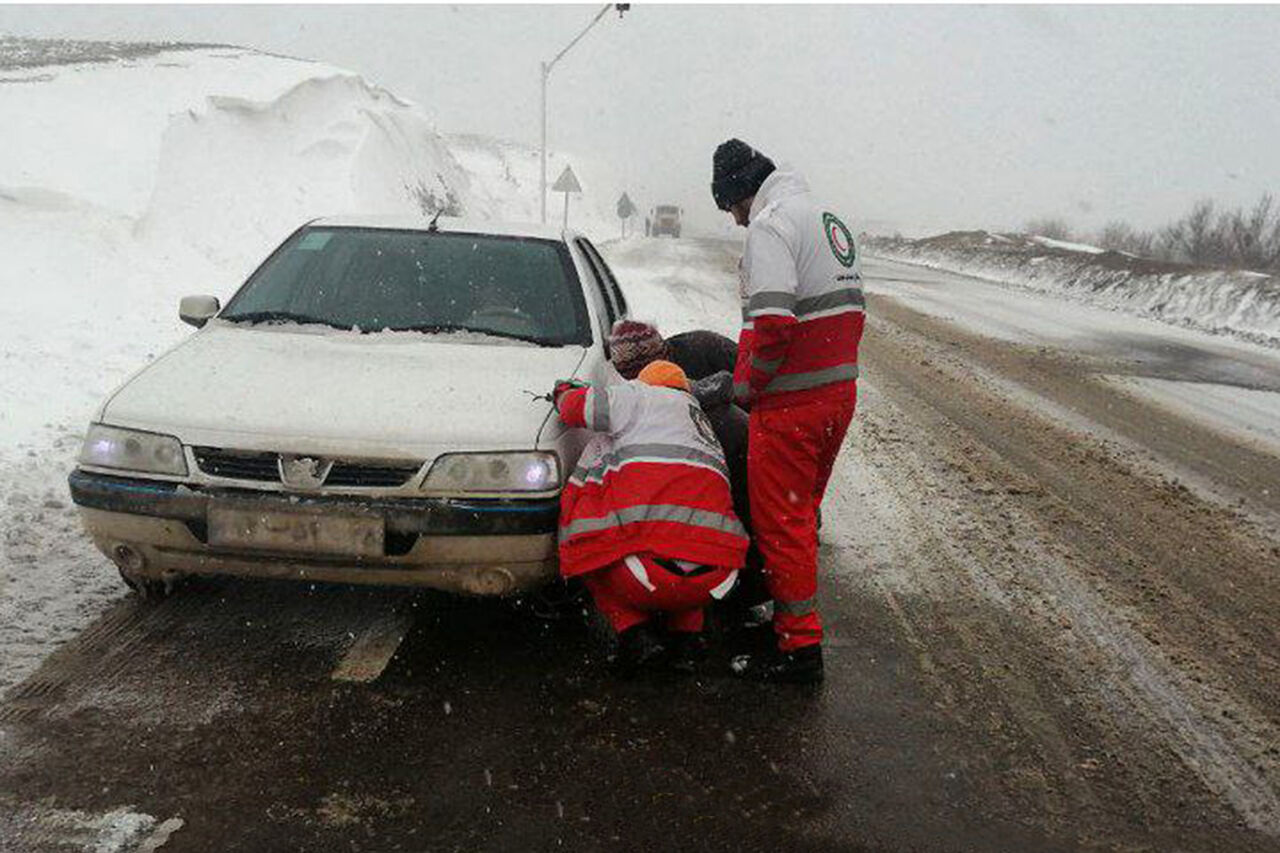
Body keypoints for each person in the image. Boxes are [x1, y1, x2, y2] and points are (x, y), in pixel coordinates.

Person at [711, 138, 866, 683]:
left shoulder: (771, 224)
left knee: (780, 526)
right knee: (802, 516)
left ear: (741, 193)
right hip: (835, 397)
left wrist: (746, 386)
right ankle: (793, 623)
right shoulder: (825, 218)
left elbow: (773, 323)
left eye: (731, 208)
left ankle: (798, 650)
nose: (735, 222)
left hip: (791, 404)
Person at [553, 360, 750, 675]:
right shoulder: (702, 425)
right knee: (693, 549)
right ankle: (688, 640)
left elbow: (577, 409)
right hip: (715, 579)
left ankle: (635, 635)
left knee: (591, 555)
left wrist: (563, 391)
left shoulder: (637, 397)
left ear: (645, 383)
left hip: (644, 578)